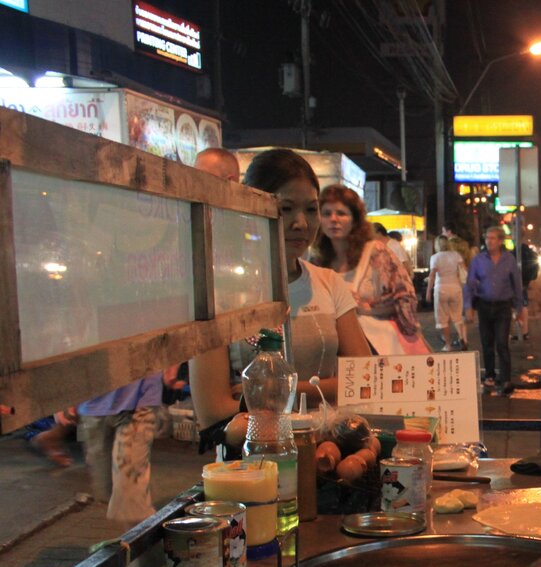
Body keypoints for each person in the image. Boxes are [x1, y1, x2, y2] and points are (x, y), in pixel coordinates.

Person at [189, 149, 372, 430]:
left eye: (311, 209)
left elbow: (365, 380)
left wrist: (272, 392)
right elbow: (213, 411)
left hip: (328, 450)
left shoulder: (330, 284)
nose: (301, 223)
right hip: (250, 465)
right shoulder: (216, 295)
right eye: (285, 209)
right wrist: (328, 391)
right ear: (250, 206)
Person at [313, 185, 430, 357]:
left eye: (341, 213)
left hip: (377, 350)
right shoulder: (316, 261)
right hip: (335, 354)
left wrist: (367, 309)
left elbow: (405, 298)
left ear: (355, 219)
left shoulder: (375, 252)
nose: (333, 219)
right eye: (326, 213)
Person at [77, 376, 163, 527]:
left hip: (139, 400)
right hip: (92, 404)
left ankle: (141, 543)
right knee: (107, 489)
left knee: (129, 495)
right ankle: (140, 530)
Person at [464, 226, 523, 395]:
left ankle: (505, 379)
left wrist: (519, 308)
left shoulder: (509, 260)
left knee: (502, 343)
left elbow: (516, 284)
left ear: (500, 241)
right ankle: (489, 375)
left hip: (503, 306)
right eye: (487, 238)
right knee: (486, 342)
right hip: (484, 305)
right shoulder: (478, 260)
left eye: (493, 238)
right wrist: (468, 307)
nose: (489, 241)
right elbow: (469, 284)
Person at [426, 234, 468, 351]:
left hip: (441, 289)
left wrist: (428, 291)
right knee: (457, 316)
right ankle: (462, 337)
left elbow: (432, 275)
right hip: (455, 288)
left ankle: (448, 344)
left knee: (443, 319)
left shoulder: (435, 257)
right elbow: (464, 270)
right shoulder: (456, 255)